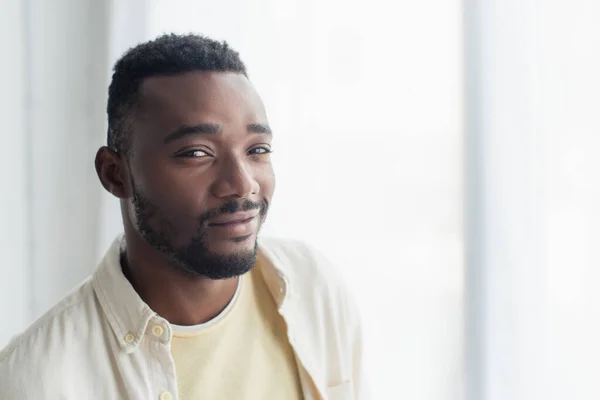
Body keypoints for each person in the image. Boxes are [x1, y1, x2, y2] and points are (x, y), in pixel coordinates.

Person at [0, 34, 366, 399]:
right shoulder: (36, 381)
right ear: (115, 174)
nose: (242, 183)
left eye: (257, 149)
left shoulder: (314, 290)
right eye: (196, 153)